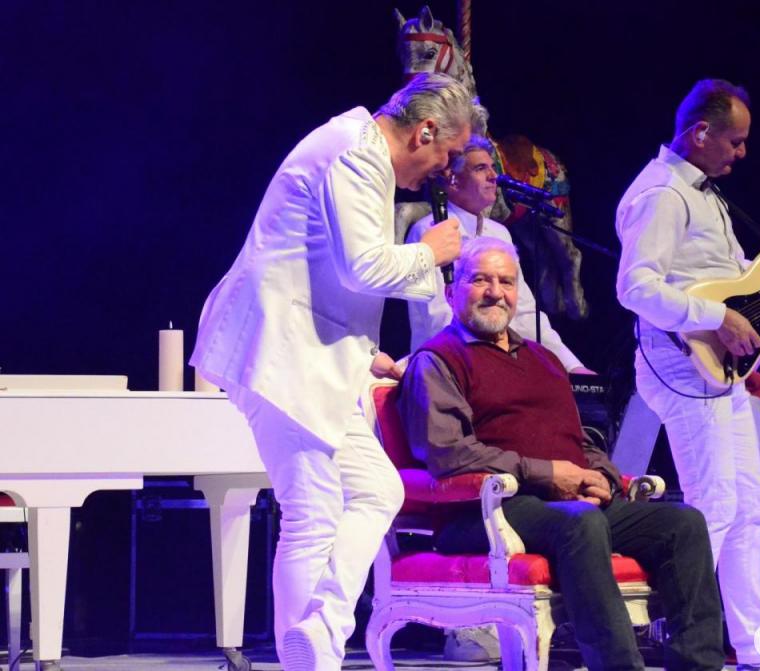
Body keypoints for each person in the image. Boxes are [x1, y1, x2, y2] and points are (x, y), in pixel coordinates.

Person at [190, 73, 487, 671]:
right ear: (426, 131)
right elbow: (362, 267)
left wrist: (363, 351)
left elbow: (322, 267)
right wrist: (431, 252)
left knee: (379, 490)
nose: (445, 171)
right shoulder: (356, 151)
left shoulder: (358, 150)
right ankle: (312, 658)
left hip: (310, 356)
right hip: (278, 352)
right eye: (449, 154)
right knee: (313, 510)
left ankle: (320, 628)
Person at [399, 236, 725, 671]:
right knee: (581, 522)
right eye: (480, 280)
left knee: (683, 524)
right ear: (451, 292)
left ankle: (699, 665)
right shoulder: (438, 360)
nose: (495, 292)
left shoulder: (543, 359)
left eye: (506, 282)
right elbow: (448, 453)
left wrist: (601, 477)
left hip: (563, 505)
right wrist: (548, 474)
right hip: (483, 512)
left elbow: (580, 439)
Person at [615, 79, 760, 671]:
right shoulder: (663, 193)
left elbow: (737, 278)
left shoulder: (705, 193)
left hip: (721, 371)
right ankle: (687, 645)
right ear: (700, 132)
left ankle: (759, 649)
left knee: (750, 504)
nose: (742, 153)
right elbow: (635, 287)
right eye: (735, 141)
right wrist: (715, 318)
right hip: (683, 367)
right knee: (716, 503)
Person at [406, 135, 593, 373]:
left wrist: (572, 367)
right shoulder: (430, 230)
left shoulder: (499, 233)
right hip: (444, 368)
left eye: (493, 167)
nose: (494, 176)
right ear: (452, 179)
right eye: (480, 168)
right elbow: (440, 318)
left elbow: (524, 314)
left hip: (496, 366)